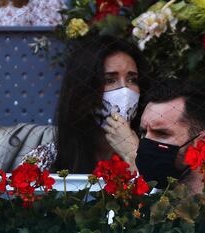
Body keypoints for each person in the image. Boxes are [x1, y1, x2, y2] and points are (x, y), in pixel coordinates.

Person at [21, 35, 149, 173]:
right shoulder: (48, 158)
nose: (125, 90)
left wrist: (133, 154)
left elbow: (158, 192)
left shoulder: (154, 154)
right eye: (110, 80)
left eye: (132, 79)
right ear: (84, 89)